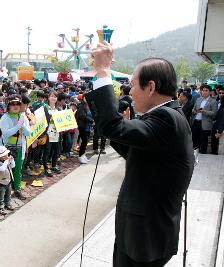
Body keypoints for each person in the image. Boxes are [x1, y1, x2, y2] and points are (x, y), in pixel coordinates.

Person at [85, 42, 194, 267]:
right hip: (143, 233)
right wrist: (122, 131)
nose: (130, 91)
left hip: (145, 237)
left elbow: (112, 128)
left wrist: (103, 72)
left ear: (150, 86)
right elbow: (134, 152)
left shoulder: (166, 119)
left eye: (132, 84)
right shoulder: (167, 115)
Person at [0, 95, 31, 200]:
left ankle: (17, 189)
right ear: (8, 106)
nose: (15, 106)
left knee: (18, 169)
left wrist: (22, 124)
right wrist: (18, 126)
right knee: (6, 170)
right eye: (12, 104)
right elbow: (6, 134)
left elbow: (28, 133)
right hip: (7, 148)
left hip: (19, 147)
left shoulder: (22, 117)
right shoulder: (5, 117)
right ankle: (5, 192)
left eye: (18, 104)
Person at [191, 84, 217, 154]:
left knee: (203, 141)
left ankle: (203, 154)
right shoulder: (198, 99)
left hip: (205, 123)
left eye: (206, 91)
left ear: (210, 92)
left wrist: (205, 111)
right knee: (194, 138)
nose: (204, 92)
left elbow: (214, 114)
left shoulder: (213, 101)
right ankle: (194, 153)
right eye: (203, 90)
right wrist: (194, 111)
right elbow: (193, 109)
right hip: (196, 121)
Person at [42, 91, 62, 177]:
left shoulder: (59, 109)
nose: (53, 98)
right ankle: (46, 168)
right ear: (48, 98)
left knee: (56, 150)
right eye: (52, 96)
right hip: (48, 133)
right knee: (47, 151)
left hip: (57, 133)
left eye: (55, 96)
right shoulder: (44, 108)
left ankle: (54, 166)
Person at [0, 146, 15, 215]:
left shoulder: (6, 161)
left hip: (8, 181)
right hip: (1, 183)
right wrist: (6, 161)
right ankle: (0, 207)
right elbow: (2, 169)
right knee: (0, 196)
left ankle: (7, 204)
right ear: (1, 156)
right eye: (5, 154)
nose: (7, 155)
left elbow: (13, 166)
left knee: (8, 194)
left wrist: (12, 160)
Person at [75, 94, 93, 164]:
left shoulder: (89, 105)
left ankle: (83, 154)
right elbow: (82, 116)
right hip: (83, 126)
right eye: (85, 97)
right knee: (84, 141)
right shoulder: (81, 105)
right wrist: (92, 121)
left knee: (86, 141)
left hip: (88, 126)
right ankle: (80, 155)